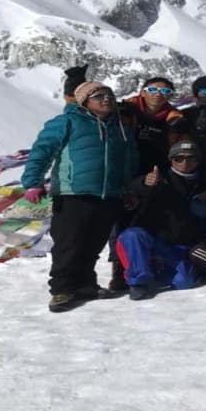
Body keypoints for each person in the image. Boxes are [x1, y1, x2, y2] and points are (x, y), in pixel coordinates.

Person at [21, 81, 140, 313]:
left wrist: (128, 189)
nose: (105, 99)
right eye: (98, 96)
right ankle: (62, 290)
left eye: (108, 95)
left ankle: (86, 285)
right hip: (73, 193)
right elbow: (42, 151)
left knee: (93, 244)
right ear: (84, 100)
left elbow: (128, 161)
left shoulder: (121, 127)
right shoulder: (66, 122)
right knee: (69, 243)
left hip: (110, 194)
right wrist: (33, 182)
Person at [109, 75, 184, 292]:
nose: (159, 94)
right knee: (121, 224)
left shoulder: (174, 120)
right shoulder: (125, 111)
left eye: (165, 92)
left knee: (152, 222)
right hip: (125, 176)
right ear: (142, 92)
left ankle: (151, 264)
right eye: (153, 89)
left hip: (159, 177)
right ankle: (120, 272)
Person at [115, 140, 206, 300]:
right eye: (179, 158)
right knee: (132, 236)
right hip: (152, 240)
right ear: (171, 160)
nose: (185, 162)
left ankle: (155, 271)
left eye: (191, 158)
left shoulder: (205, 183)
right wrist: (145, 184)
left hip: (179, 246)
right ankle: (138, 282)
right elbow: (133, 188)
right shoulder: (159, 178)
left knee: (185, 282)